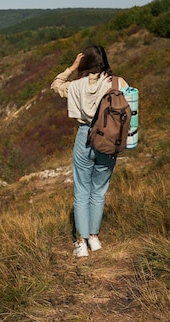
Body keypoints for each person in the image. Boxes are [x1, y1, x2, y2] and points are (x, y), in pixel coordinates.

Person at [50, 45, 129, 258]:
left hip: (84, 138)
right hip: (109, 140)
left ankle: (81, 243)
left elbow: (55, 84)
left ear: (84, 63)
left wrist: (72, 67)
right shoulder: (118, 83)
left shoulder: (75, 86)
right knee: (99, 190)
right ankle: (94, 238)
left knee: (82, 190)